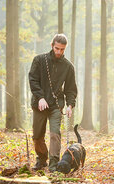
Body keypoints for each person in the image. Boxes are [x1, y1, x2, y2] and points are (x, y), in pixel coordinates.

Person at [29, 34, 77, 172]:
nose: (59, 52)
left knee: (55, 134)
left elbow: (71, 89)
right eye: (57, 48)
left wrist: (70, 105)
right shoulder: (39, 60)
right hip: (39, 104)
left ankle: (53, 165)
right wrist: (40, 97)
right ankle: (42, 159)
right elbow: (33, 80)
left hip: (56, 105)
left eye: (62, 49)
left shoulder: (68, 66)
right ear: (52, 45)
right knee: (37, 136)